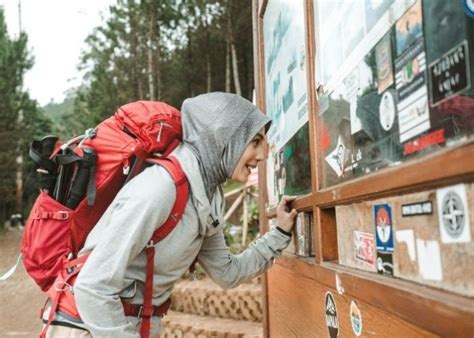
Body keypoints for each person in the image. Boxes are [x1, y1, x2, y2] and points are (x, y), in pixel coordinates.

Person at [44, 92, 298, 337]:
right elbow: (93, 286)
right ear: (223, 138)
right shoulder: (159, 189)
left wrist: (280, 234)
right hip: (85, 326)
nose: (263, 154)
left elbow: (227, 273)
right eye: (255, 141)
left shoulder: (209, 197)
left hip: (131, 325)